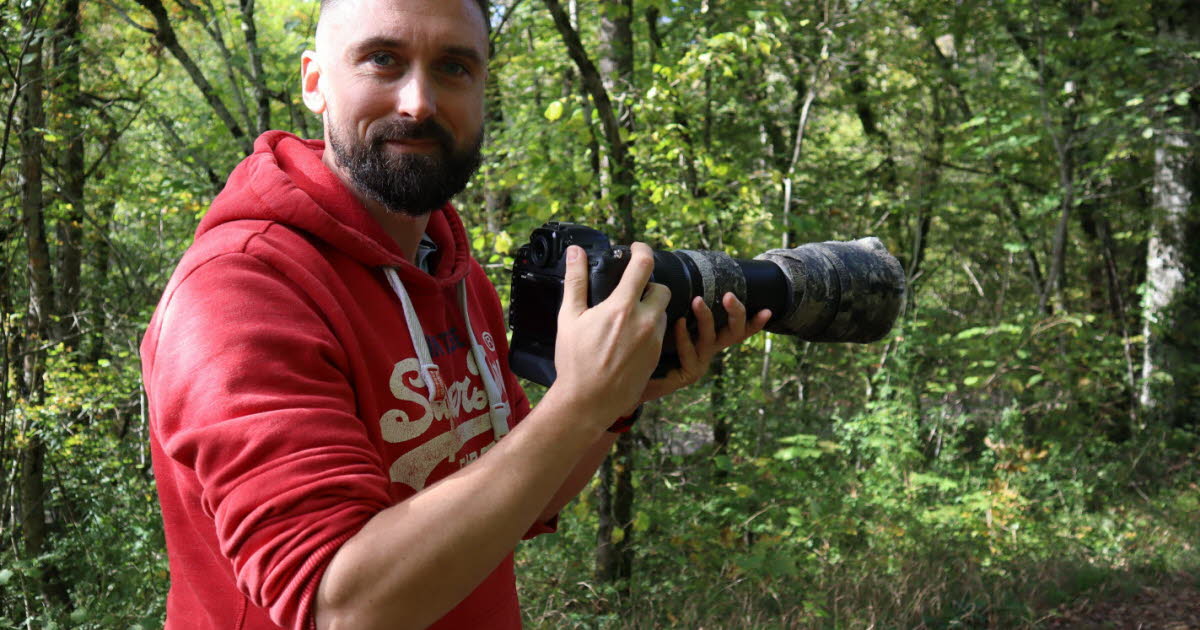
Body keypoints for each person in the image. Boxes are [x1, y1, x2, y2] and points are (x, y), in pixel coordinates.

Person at [140, 0, 771, 628]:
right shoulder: (238, 292)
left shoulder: (456, 275)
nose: (419, 101)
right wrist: (578, 403)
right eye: (382, 60)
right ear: (315, 82)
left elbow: (528, 492)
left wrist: (611, 403)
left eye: (453, 67)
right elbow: (344, 607)